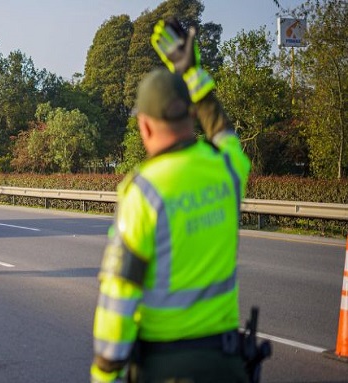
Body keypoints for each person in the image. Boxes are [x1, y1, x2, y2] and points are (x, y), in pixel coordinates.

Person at [90, 18, 252, 383]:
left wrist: (104, 375)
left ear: (145, 125)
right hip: (227, 366)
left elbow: (119, 297)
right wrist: (192, 73)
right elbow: (222, 130)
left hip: (165, 368)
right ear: (190, 114)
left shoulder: (143, 191)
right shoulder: (228, 169)